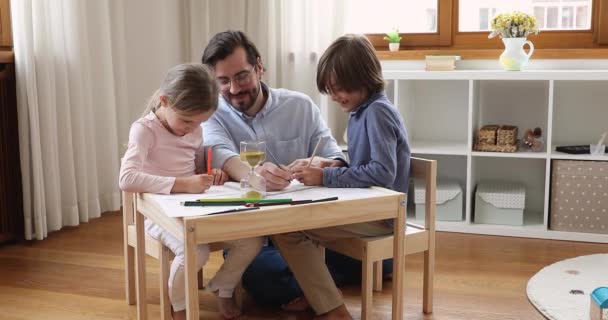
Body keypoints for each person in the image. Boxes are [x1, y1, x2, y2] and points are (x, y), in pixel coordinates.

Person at [201, 30, 371, 314]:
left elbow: (336, 158)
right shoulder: (213, 113)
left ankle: (312, 283)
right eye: (223, 81)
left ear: (259, 67)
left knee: (380, 259)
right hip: (253, 237)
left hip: (308, 228)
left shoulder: (300, 105)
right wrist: (253, 174)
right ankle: (318, 283)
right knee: (264, 278)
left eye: (241, 76)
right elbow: (221, 154)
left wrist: (321, 164)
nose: (233, 88)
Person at [278, 34, 412, 320]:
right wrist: (330, 163)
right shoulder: (362, 111)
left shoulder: (377, 112)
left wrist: (325, 177)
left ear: (362, 77)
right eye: (330, 90)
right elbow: (365, 165)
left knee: (290, 229)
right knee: (297, 221)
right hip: (372, 206)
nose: (335, 97)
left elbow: (383, 173)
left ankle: (332, 308)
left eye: (339, 89)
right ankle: (318, 293)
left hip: (383, 215)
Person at [119, 63, 264, 320]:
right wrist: (183, 184)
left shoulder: (194, 129)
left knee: (252, 239)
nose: (191, 128)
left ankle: (224, 286)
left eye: (200, 122)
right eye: (187, 120)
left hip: (192, 207)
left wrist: (213, 175)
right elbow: (127, 179)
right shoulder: (144, 130)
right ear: (165, 101)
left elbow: (196, 166)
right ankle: (179, 306)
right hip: (156, 213)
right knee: (196, 251)